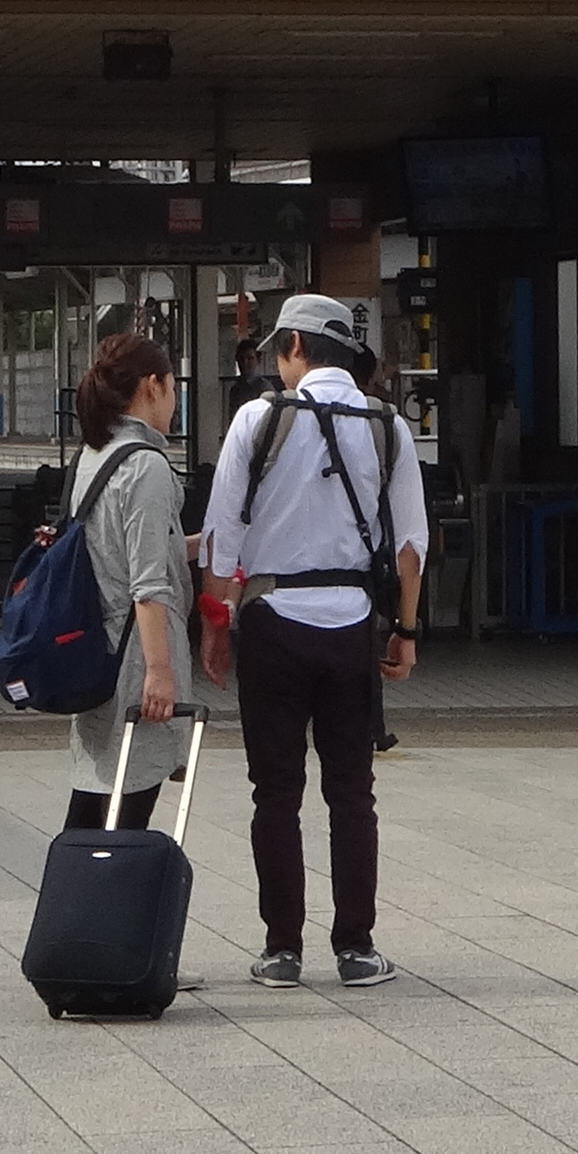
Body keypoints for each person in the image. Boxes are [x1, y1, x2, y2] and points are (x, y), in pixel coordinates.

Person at [201, 293, 428, 989]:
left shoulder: (257, 420)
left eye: (277, 349)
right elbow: (413, 544)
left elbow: (220, 536)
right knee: (352, 792)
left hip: (271, 622)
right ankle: (356, 948)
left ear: (295, 348)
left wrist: (217, 624)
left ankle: (282, 950)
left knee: (276, 792)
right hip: (353, 625)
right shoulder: (388, 425)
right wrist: (408, 632)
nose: (275, 362)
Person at [62, 329, 191, 831]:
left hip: (97, 655)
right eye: (173, 386)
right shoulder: (146, 466)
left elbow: (111, 548)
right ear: (154, 385)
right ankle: (95, 909)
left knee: (94, 807)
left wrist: (189, 545)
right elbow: (147, 584)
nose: (174, 400)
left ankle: (70, 905)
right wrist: (160, 671)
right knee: (123, 817)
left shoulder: (93, 456)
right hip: (134, 663)